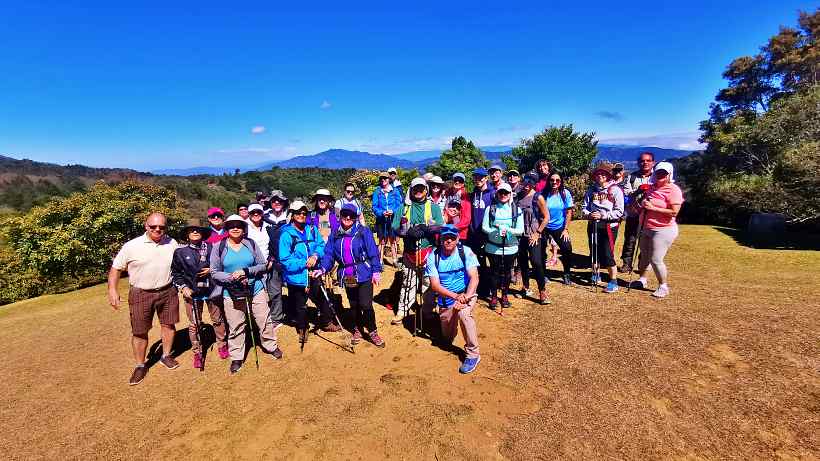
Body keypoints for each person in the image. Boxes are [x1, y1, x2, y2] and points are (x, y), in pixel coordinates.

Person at [108, 212, 180, 385]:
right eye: (153, 226)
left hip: (168, 290)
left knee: (168, 325)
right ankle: (140, 365)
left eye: (161, 227)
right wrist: (112, 290)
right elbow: (116, 269)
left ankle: (166, 355)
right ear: (145, 226)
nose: (157, 229)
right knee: (140, 331)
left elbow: (181, 263)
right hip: (141, 293)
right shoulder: (131, 246)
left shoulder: (172, 243)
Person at [210, 215, 281, 374]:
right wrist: (231, 277)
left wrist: (246, 272)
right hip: (231, 291)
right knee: (236, 324)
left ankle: (271, 345)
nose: (235, 228)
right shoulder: (219, 246)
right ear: (227, 228)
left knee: (264, 319)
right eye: (231, 225)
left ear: (244, 228)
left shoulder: (250, 244)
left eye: (239, 225)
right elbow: (214, 272)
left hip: (255, 288)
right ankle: (236, 356)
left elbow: (262, 265)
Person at [320, 203, 386, 347]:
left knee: (366, 304)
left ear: (355, 217)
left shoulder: (363, 231)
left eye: (351, 215)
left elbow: (373, 252)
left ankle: (372, 331)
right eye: (345, 214)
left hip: (364, 271)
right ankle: (357, 329)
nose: (348, 218)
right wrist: (323, 268)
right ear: (340, 216)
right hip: (347, 273)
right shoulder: (335, 234)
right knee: (354, 304)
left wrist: (376, 271)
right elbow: (329, 254)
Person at [279, 201, 341, 347]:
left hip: (313, 273)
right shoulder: (286, 235)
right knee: (300, 305)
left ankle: (326, 322)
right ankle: (302, 328)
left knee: (322, 298)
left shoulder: (311, 229)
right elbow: (285, 259)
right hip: (297, 277)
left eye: (304, 213)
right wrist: (304, 264)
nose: (301, 215)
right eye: (298, 213)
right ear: (292, 215)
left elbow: (321, 245)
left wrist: (315, 256)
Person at [171, 225, 229, 370]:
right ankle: (197, 352)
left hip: (211, 290)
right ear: (187, 235)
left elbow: (222, 264)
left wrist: (212, 269)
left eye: (198, 230)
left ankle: (222, 344)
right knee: (194, 324)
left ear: (203, 234)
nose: (195, 232)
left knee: (217, 319)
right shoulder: (180, 252)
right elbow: (176, 273)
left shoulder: (212, 248)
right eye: (192, 231)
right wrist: (184, 287)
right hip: (192, 293)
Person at [425, 225, 481, 374]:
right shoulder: (433, 257)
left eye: (452, 237)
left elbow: (474, 277)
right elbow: (435, 286)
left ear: (457, 239)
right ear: (440, 239)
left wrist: (466, 297)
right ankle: (449, 329)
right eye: (445, 237)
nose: (448, 240)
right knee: (447, 336)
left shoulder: (466, 252)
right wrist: (455, 297)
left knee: (464, 315)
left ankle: (473, 354)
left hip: (466, 294)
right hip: (447, 299)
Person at [392, 177, 444, 325]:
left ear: (426, 190)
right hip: (410, 251)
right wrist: (408, 233)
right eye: (415, 189)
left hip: (429, 250)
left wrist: (426, 230)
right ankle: (402, 311)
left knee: (428, 283)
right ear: (411, 190)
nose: (418, 191)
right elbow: (395, 228)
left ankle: (427, 311)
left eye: (421, 188)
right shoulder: (403, 208)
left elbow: (440, 225)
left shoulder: (433, 207)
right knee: (408, 282)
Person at [633, 162, 684, 298]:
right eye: (658, 173)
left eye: (664, 173)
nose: (660, 175)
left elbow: (674, 212)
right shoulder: (651, 188)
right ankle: (642, 280)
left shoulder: (673, 190)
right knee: (644, 256)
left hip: (663, 229)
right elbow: (646, 204)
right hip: (645, 226)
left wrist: (653, 208)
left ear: (669, 175)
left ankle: (663, 286)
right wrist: (642, 204)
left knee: (656, 259)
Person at [582, 163, 625, 293]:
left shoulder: (615, 190)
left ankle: (613, 281)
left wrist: (603, 215)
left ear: (608, 175)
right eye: (597, 173)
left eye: (603, 173)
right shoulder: (591, 190)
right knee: (594, 251)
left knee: (607, 253)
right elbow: (584, 207)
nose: (600, 176)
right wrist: (589, 214)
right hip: (593, 224)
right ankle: (596, 274)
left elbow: (619, 211)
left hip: (608, 226)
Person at [482, 183, 524, 309]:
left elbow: (520, 230)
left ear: (510, 194)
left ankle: (504, 295)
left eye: (506, 193)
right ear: (497, 194)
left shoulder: (517, 210)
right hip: (493, 247)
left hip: (510, 247)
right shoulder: (490, 209)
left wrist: (508, 230)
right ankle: (494, 297)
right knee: (494, 272)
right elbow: (485, 227)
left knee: (507, 273)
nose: (503, 195)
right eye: (501, 193)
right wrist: (496, 231)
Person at [516, 175, 551, 304]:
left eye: (530, 182)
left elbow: (547, 217)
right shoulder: (518, 197)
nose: (527, 184)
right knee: (523, 261)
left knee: (536, 262)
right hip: (520, 235)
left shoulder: (538, 197)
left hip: (534, 235)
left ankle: (542, 291)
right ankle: (525, 287)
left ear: (534, 183)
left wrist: (537, 233)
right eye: (525, 181)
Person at [619, 152, 656, 273]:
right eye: (642, 161)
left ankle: (642, 263)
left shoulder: (657, 177)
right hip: (634, 213)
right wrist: (639, 191)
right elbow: (626, 193)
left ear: (653, 163)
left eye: (648, 160)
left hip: (650, 214)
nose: (645, 163)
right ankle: (626, 263)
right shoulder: (631, 177)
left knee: (647, 240)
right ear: (638, 163)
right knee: (630, 239)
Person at [543, 172, 575, 285]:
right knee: (541, 250)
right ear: (549, 181)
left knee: (567, 248)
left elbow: (569, 211)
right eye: (552, 180)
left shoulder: (565, 193)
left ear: (561, 182)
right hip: (544, 226)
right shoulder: (544, 193)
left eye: (557, 180)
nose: (554, 182)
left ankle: (566, 273)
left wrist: (565, 229)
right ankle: (544, 274)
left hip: (559, 226)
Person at [467, 168, 494, 297]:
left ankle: (490, 288)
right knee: (478, 262)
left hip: (487, 234)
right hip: (474, 234)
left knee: (491, 262)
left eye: (481, 177)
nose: (478, 180)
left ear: (486, 178)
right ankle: (480, 288)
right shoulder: (473, 194)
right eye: (476, 177)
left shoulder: (492, 193)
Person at [372, 171, 402, 265]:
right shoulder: (377, 191)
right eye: (381, 179)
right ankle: (380, 261)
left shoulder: (395, 191)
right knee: (382, 241)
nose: (383, 180)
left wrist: (393, 211)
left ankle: (395, 260)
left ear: (389, 179)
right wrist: (381, 213)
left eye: (385, 178)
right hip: (381, 220)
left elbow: (400, 204)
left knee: (393, 240)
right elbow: (374, 206)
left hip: (392, 220)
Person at [446, 172, 472, 239]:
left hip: (460, 233)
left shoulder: (465, 197)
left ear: (463, 184)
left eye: (460, 181)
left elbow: (466, 219)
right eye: (455, 180)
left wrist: (454, 228)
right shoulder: (448, 194)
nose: (457, 182)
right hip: (447, 230)